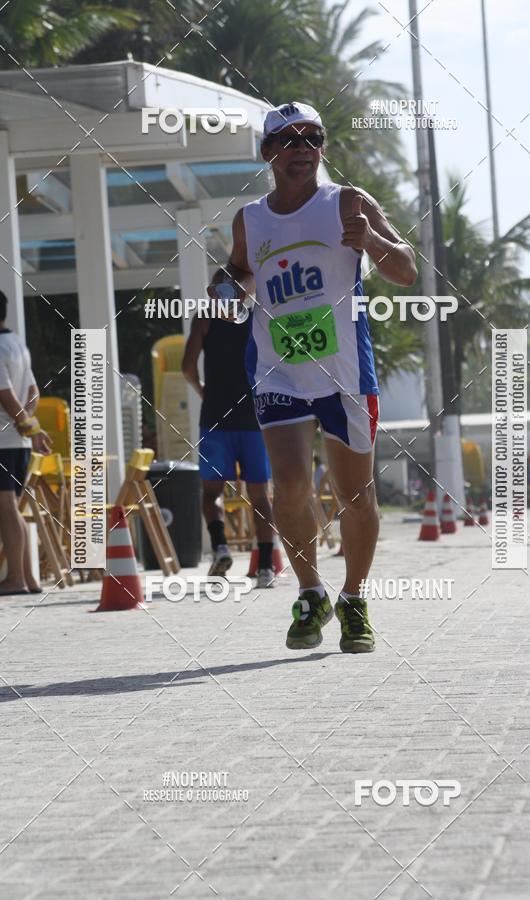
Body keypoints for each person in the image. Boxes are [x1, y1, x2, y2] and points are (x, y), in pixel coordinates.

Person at [208, 101, 417, 653]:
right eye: (289, 140)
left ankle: (353, 598)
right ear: (268, 153)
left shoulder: (348, 201)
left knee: (355, 494)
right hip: (279, 371)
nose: (301, 149)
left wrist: (369, 241)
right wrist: (226, 286)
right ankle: (309, 591)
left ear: (321, 149)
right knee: (292, 485)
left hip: (346, 371)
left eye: (312, 139)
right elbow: (241, 274)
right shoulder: (250, 219)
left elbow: (406, 268)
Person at [182, 309, 276, 588]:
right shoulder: (261, 317)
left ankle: (221, 547)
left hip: (215, 419)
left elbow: (187, 367)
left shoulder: (205, 318)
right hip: (254, 420)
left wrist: (203, 391)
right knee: (260, 496)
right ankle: (266, 568)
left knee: (212, 493)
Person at [0, 291, 51, 595]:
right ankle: (28, 577)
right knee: (13, 510)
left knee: (7, 511)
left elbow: (6, 397)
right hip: (16, 443)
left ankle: (16, 578)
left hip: (4, 441)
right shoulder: (16, 343)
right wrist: (27, 426)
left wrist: (25, 427)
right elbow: (33, 392)